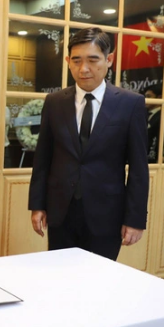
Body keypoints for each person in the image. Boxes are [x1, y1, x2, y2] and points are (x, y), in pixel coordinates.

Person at [28, 27, 149, 261]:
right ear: (68, 62)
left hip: (107, 214)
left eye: (93, 60)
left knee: (100, 283)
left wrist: (134, 220)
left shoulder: (130, 104)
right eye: (77, 60)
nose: (84, 69)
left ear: (109, 59)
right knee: (60, 277)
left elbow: (138, 169)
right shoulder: (54, 102)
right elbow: (43, 158)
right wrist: (37, 205)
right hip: (60, 212)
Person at [144, 84, 164, 163]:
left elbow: (163, 140)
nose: (145, 99)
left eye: (149, 96)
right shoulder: (144, 114)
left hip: (153, 159)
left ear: (159, 98)